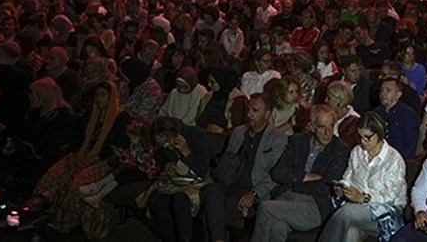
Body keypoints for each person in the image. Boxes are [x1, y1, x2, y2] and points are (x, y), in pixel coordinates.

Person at [31, 80, 129, 239]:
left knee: (78, 183)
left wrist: (94, 157)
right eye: (97, 95)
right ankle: (49, 216)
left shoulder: (120, 117)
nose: (100, 99)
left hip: (103, 158)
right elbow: (77, 137)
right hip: (81, 154)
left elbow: (118, 145)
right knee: (54, 176)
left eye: (104, 95)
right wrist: (77, 155)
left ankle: (74, 224)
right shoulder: (91, 114)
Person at [251, 104, 349, 242]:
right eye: (322, 127)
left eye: (331, 126)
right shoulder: (298, 141)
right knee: (277, 228)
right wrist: (304, 177)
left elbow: (327, 186)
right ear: (313, 127)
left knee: (266, 208)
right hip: (287, 197)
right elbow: (278, 173)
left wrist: (295, 181)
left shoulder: (340, 150)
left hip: (314, 205)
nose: (328, 133)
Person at [203, 94, 287, 242]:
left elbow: (276, 175)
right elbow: (225, 161)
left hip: (251, 190)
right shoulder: (239, 132)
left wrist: (254, 194)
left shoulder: (277, 138)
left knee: (213, 209)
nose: (249, 115)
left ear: (267, 114)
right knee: (211, 191)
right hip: (228, 184)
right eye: (249, 110)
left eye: (255, 111)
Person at [319, 112, 407, 242]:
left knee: (346, 212)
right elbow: (348, 177)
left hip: (385, 214)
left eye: (367, 137)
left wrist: (364, 198)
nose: (362, 141)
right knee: (350, 233)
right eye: (359, 137)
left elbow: (390, 196)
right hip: (357, 208)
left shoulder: (394, 159)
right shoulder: (357, 152)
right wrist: (342, 188)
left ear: (379, 134)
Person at [146, 116, 213, 242]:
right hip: (177, 181)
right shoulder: (165, 146)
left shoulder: (197, 135)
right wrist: (166, 165)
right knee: (156, 199)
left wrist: (186, 151)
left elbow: (202, 171)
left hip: (197, 183)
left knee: (180, 201)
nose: (165, 146)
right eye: (162, 144)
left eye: (167, 142)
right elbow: (160, 155)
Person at [374, 76, 419, 159]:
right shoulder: (376, 113)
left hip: (399, 159)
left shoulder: (408, 115)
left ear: (398, 94)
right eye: (381, 90)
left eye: (388, 90)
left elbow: (410, 146)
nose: (383, 94)